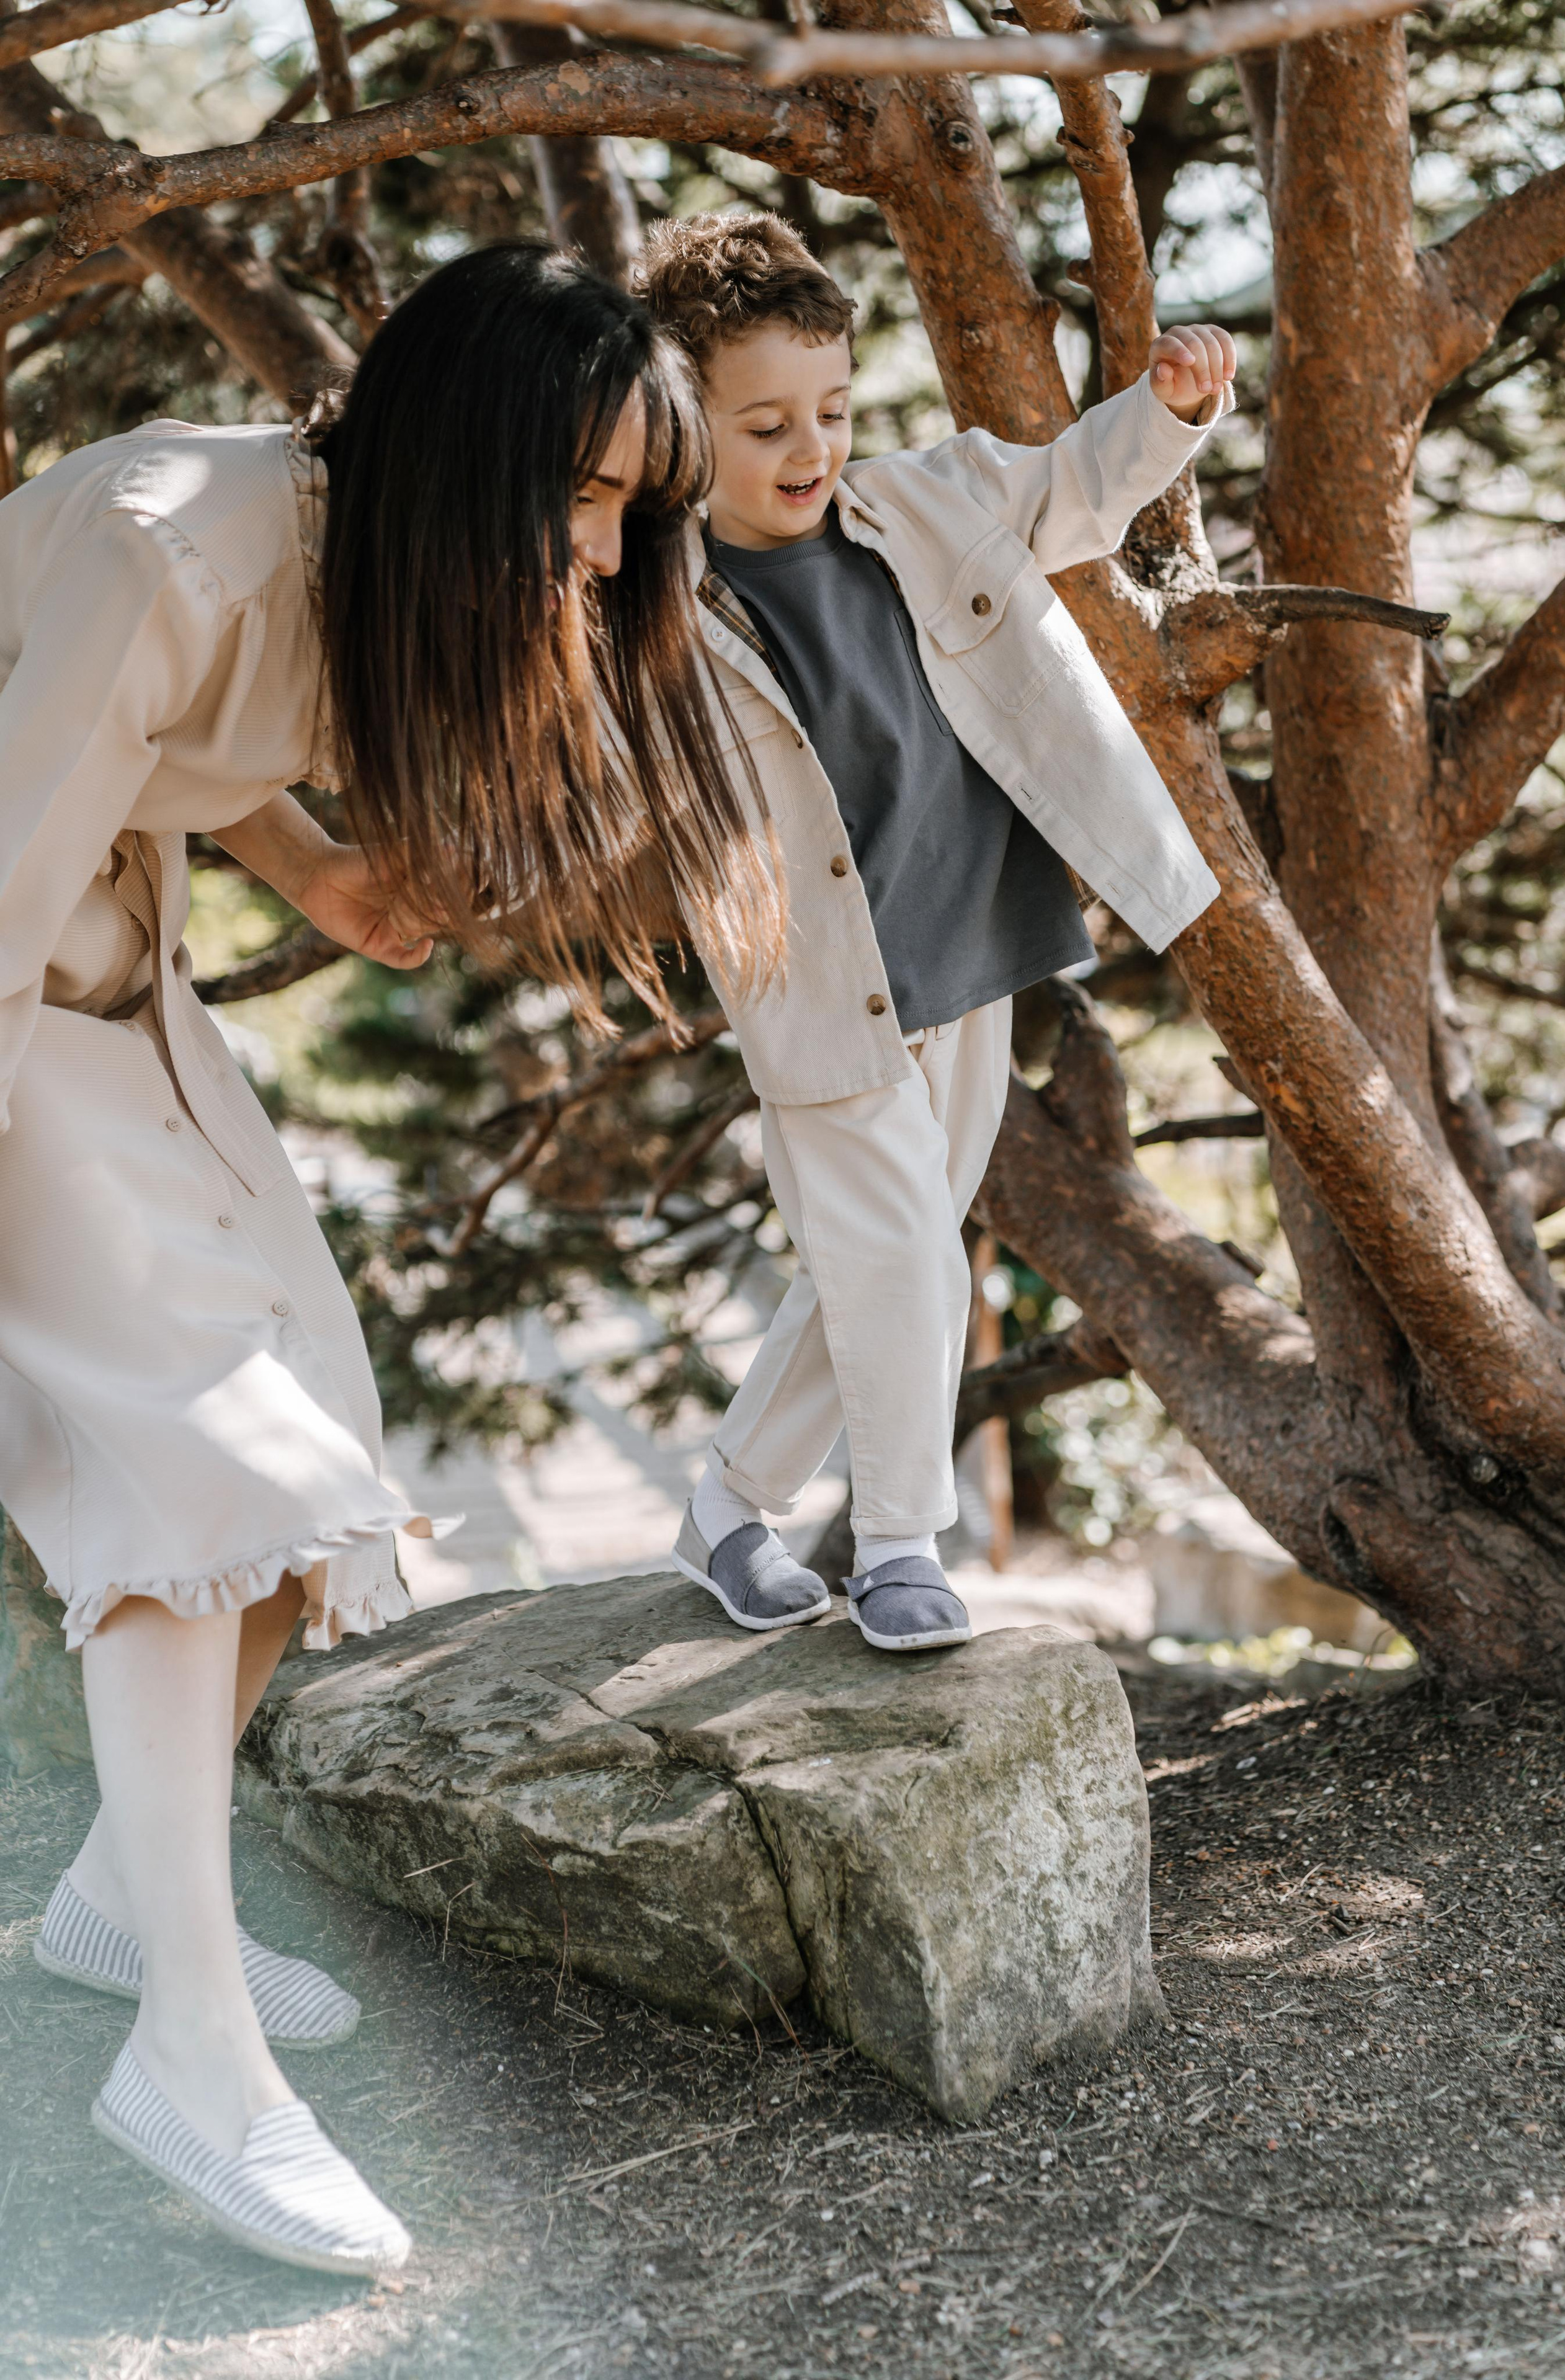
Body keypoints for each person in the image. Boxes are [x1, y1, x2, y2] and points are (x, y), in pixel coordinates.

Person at [2, 240, 782, 2273]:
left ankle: (119, 1890)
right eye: (590, 497)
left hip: (104, 962)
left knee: (317, 1442)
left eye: (633, 511)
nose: (608, 560)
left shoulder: (348, 557)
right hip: (17, 976)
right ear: (462, 449)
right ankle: (195, 2040)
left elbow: (180, 731)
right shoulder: (176, 541)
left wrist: (321, 868)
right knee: (209, 1463)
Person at [638, 213, 1234, 1654]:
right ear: (677, 420)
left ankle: (725, 1504)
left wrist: (1164, 412)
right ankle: (901, 1542)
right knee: (908, 1253)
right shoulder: (651, 602)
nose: (810, 447)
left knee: (882, 1252)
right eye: (765, 422)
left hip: (970, 942)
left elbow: (1067, 493)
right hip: (815, 983)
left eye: (830, 411)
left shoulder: (923, 498)